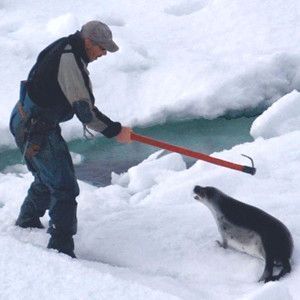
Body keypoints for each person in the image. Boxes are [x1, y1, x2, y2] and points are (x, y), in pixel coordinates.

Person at [9, 20, 132, 258]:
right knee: (64, 187)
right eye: (102, 48)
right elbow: (85, 112)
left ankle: (27, 222)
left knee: (47, 178)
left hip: (26, 119)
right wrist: (115, 130)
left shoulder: (67, 46)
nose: (104, 53)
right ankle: (61, 249)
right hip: (36, 129)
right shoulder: (70, 61)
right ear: (88, 41)